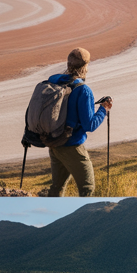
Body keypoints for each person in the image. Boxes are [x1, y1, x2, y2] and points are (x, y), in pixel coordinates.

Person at [47, 48, 112, 197]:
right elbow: (90, 125)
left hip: (54, 143)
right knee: (87, 188)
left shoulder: (54, 81)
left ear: (68, 63)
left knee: (57, 188)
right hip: (72, 146)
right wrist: (103, 109)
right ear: (85, 67)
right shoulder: (83, 90)